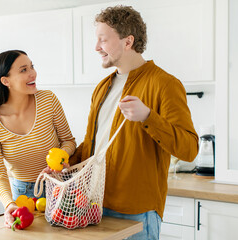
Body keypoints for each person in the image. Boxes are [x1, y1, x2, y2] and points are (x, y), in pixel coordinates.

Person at [69, 5, 199, 239]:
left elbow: (189, 149)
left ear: (127, 42)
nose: (96, 47)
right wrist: (64, 164)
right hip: (94, 205)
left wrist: (148, 117)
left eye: (103, 40)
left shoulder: (165, 84)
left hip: (137, 210)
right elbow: (92, 144)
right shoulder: (102, 88)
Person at [0, 50, 76, 229]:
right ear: (5, 81)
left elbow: (69, 141)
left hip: (58, 187)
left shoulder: (48, 100)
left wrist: (61, 157)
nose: (33, 73)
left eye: (32, 67)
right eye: (23, 70)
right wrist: (9, 204)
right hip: (23, 198)